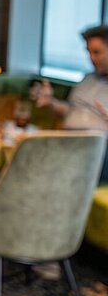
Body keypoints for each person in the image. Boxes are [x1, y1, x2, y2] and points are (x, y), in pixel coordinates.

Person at [32, 24, 108, 182]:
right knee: (30, 150)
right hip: (69, 140)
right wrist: (50, 101)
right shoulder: (88, 79)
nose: (91, 58)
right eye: (88, 52)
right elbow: (69, 111)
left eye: (97, 52)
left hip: (98, 148)